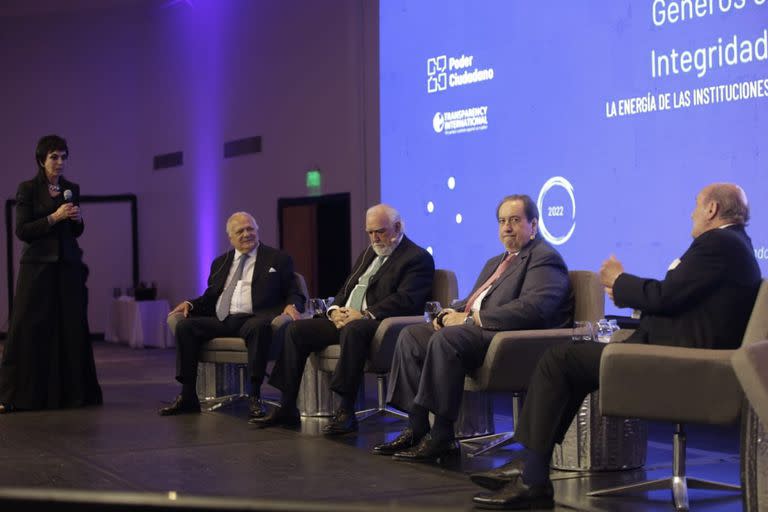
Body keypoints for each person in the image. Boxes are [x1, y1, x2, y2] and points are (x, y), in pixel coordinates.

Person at [470, 183, 762, 510]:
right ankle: (532, 465)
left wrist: (619, 280)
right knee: (570, 367)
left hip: (679, 361)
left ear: (711, 210)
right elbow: (681, 299)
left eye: (696, 205)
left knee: (559, 360)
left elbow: (665, 296)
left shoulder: (719, 243)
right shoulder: (734, 245)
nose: (692, 212)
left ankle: (532, 475)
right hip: (679, 353)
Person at [375, 194, 573, 462]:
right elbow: (473, 299)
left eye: (515, 220)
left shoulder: (544, 258)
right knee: (412, 335)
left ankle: (443, 436)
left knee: (446, 340)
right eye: (502, 221)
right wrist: (451, 312)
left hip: (509, 338)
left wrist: (470, 320)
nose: (507, 228)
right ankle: (417, 426)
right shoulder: (496, 261)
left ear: (534, 225)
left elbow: (533, 309)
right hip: (477, 331)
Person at [251, 204, 434, 432]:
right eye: (369, 232)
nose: (374, 238)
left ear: (397, 227)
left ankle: (345, 410)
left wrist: (365, 314)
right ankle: (288, 406)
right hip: (346, 318)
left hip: (378, 324)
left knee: (354, 329)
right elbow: (347, 289)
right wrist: (335, 310)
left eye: (380, 231)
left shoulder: (417, 258)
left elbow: (406, 300)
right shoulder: (369, 253)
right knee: (295, 330)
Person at [159, 212, 305, 418]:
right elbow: (210, 296)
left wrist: (292, 304)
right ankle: (188, 395)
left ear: (257, 230)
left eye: (250, 229)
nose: (247, 234)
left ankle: (254, 395)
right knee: (185, 326)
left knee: (259, 327)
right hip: (223, 319)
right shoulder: (221, 262)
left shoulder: (277, 258)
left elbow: (294, 290)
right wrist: (191, 303)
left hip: (254, 318)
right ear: (230, 238)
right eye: (240, 231)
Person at [0, 135, 102, 413]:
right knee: (29, 328)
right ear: (41, 160)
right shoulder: (28, 189)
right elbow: (22, 230)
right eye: (54, 157)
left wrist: (78, 220)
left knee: (69, 327)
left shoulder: (72, 188)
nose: (59, 162)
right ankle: (19, 395)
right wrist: (53, 218)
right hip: (37, 267)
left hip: (67, 266)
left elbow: (76, 232)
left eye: (63, 157)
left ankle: (71, 393)